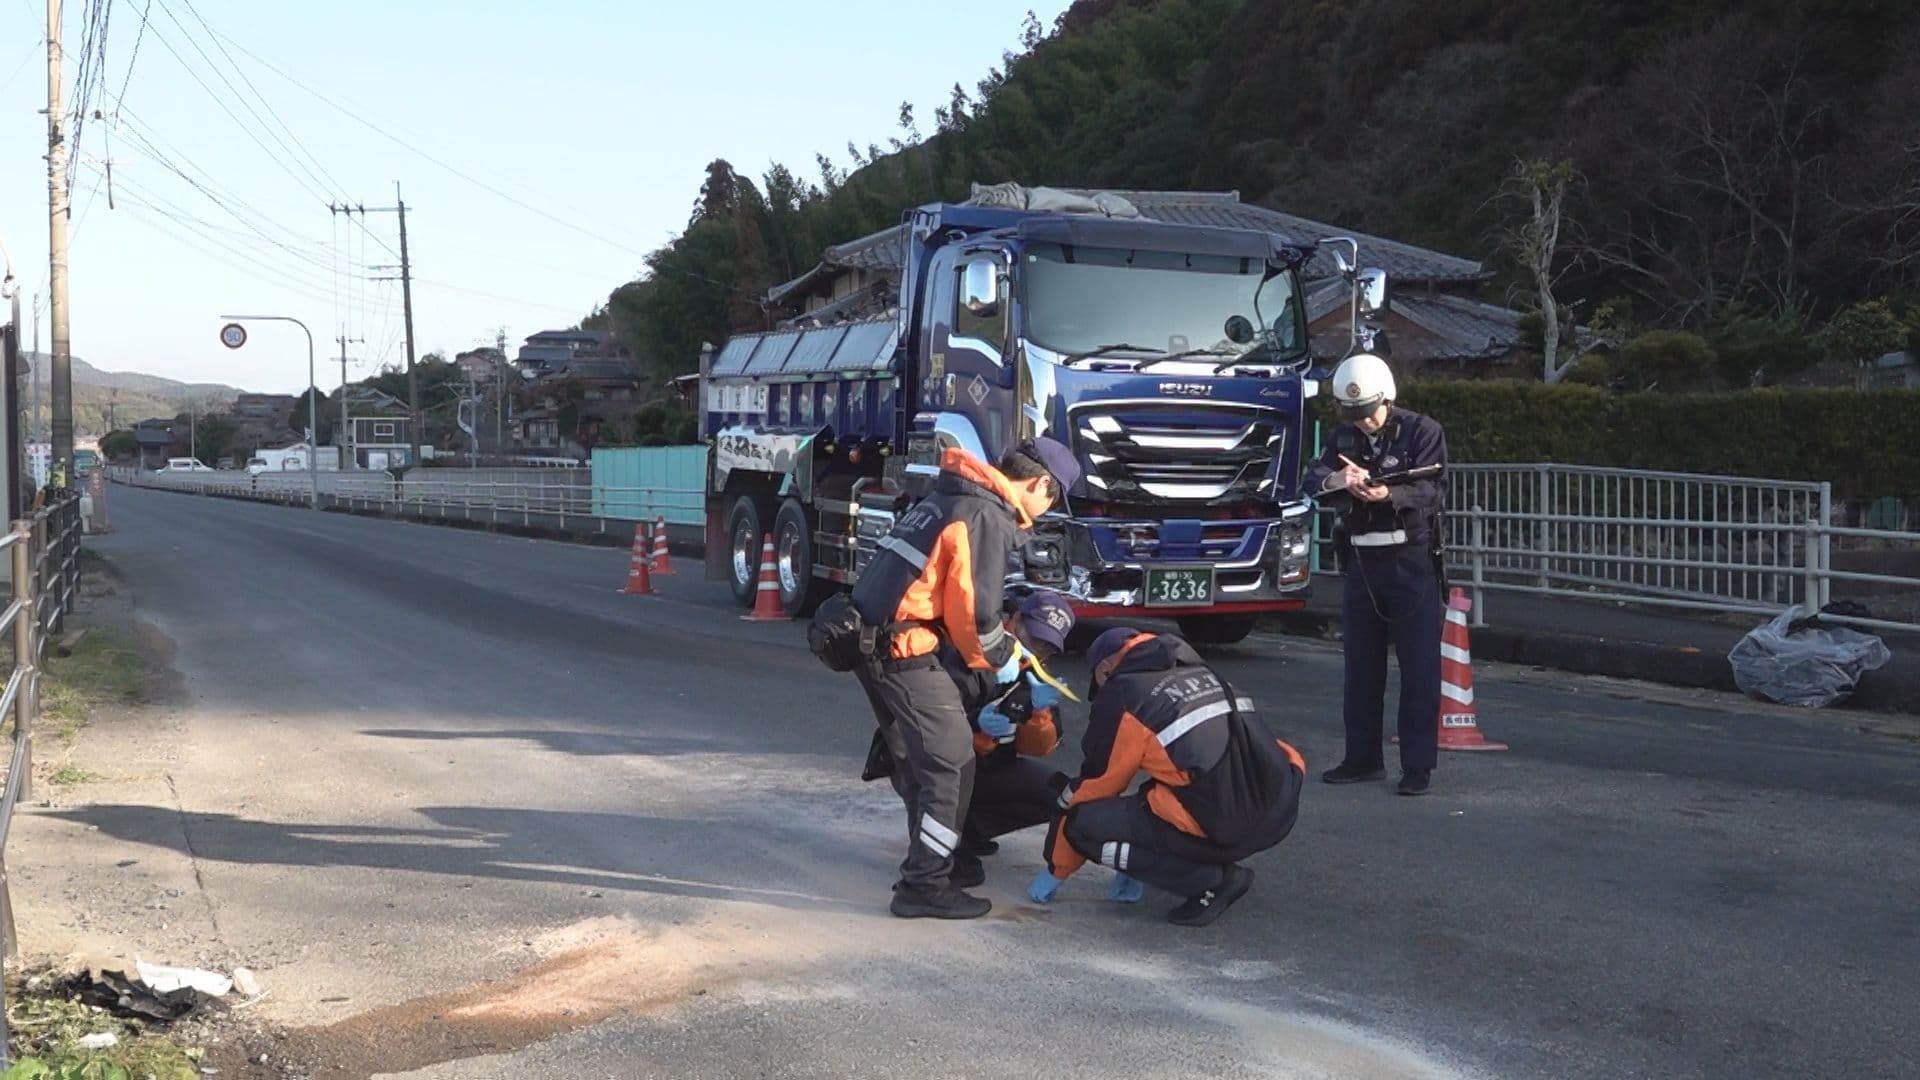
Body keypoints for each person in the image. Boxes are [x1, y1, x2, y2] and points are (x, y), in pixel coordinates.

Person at [850, 437, 1081, 919]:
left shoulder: (945, 499)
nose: (1043, 512)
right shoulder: (984, 515)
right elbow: (975, 617)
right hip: (906, 648)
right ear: (1040, 483)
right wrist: (1008, 658)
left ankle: (938, 865)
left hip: (876, 643)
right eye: (1052, 498)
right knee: (951, 764)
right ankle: (925, 885)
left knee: (928, 762)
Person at [1027, 628, 1306, 928]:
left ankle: (1211, 881)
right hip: (1278, 807)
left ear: (1105, 669)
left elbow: (1098, 784)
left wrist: (1057, 867)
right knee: (1161, 792)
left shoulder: (1124, 695)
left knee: (1084, 825)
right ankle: (1205, 858)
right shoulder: (1201, 671)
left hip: (1227, 823)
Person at [859, 590, 1078, 889]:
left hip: (984, 766)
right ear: (1013, 619)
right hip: (927, 758)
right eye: (1033, 637)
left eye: (1045, 647)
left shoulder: (1031, 672)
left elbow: (1041, 747)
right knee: (961, 867)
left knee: (1060, 791)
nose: (1035, 649)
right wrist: (979, 724)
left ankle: (970, 830)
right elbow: (931, 726)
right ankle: (932, 855)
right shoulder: (967, 652)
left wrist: (1038, 713)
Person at [1302, 353, 1448, 796]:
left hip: (1411, 562)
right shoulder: (1343, 435)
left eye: (1368, 412)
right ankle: (1362, 758)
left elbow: (1433, 488)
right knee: (1360, 669)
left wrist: (1388, 493)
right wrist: (1340, 481)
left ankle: (1418, 766)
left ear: (1386, 397)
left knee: (1420, 668)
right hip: (1362, 562)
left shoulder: (1423, 431)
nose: (1362, 423)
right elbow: (1314, 477)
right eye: (1354, 414)